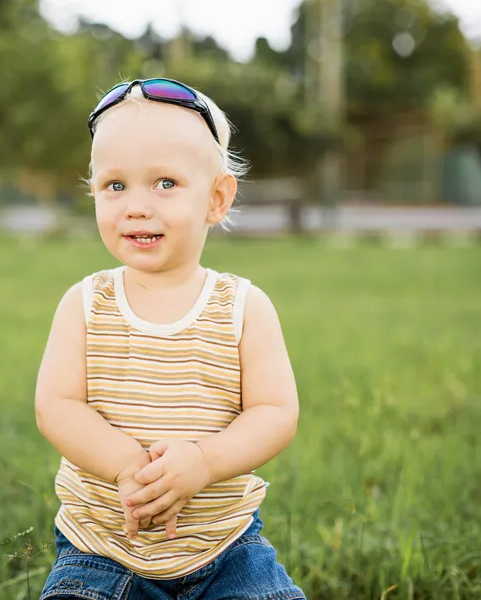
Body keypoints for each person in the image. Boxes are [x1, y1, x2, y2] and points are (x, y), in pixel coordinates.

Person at [35, 78, 306, 600]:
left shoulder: (244, 307)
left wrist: (203, 462)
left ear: (216, 198)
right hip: (102, 549)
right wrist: (125, 463)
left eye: (164, 183)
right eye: (115, 186)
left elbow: (275, 413)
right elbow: (56, 406)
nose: (136, 206)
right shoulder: (86, 304)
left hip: (227, 549)